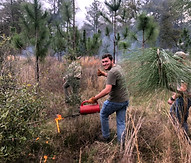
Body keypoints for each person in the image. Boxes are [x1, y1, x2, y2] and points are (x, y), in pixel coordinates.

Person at [88, 53, 129, 143]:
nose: (104, 63)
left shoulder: (112, 72)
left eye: (106, 61)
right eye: (103, 62)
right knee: (121, 122)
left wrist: (95, 98)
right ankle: (121, 144)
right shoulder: (118, 68)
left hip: (115, 101)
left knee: (103, 114)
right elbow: (113, 77)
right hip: (125, 100)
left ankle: (106, 137)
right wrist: (103, 74)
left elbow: (107, 90)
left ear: (112, 61)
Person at [168, 51, 191, 133]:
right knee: (172, 112)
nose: (174, 62)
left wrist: (173, 98)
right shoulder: (181, 70)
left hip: (185, 98)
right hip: (182, 97)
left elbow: (183, 88)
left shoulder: (184, 71)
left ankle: (185, 140)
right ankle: (178, 133)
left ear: (181, 60)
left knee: (181, 120)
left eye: (176, 60)